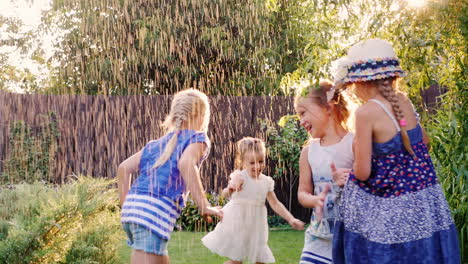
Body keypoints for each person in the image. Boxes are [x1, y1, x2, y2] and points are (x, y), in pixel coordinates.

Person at [331, 38, 460, 264]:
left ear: (359, 82)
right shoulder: (403, 102)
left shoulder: (366, 113)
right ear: (392, 77)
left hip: (392, 212)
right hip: (424, 205)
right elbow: (424, 143)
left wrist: (345, 177)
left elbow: (362, 172)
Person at [118, 89, 223, 264]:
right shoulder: (197, 138)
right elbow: (185, 164)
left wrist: (126, 206)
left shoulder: (156, 144)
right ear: (201, 115)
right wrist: (204, 206)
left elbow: (123, 169)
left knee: (160, 256)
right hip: (153, 213)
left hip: (133, 210)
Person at [202, 137, 305, 264]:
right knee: (236, 260)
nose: (257, 166)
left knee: (260, 259)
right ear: (243, 162)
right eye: (252, 163)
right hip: (238, 223)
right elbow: (224, 194)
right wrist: (231, 189)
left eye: (261, 161)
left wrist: (291, 219)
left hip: (256, 226)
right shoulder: (239, 176)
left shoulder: (266, 181)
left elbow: (275, 203)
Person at [294, 79, 354, 264]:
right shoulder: (308, 152)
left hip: (350, 236)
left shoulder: (354, 143)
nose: (301, 121)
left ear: (328, 107)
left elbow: (371, 182)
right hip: (318, 238)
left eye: (303, 113)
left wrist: (349, 180)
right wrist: (313, 199)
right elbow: (302, 193)